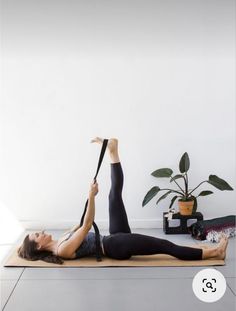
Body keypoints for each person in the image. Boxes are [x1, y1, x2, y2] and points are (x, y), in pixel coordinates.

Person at [18, 138, 229, 265]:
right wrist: (91, 196)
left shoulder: (61, 238)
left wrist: (89, 197)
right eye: (37, 235)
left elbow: (81, 221)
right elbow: (87, 225)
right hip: (114, 247)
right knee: (163, 245)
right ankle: (213, 252)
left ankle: (113, 151)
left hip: (113, 237)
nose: (41, 232)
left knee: (114, 196)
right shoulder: (61, 250)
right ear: (38, 246)